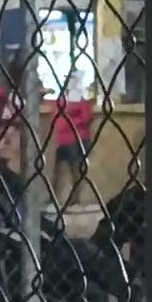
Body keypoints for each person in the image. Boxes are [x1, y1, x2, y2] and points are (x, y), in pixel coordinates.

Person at [52, 73, 95, 206]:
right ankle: (54, 196)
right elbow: (58, 119)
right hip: (64, 140)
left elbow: (87, 118)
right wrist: (76, 120)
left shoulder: (81, 100)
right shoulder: (62, 99)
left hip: (79, 140)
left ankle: (75, 198)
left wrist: (70, 120)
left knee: (75, 169)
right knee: (58, 170)